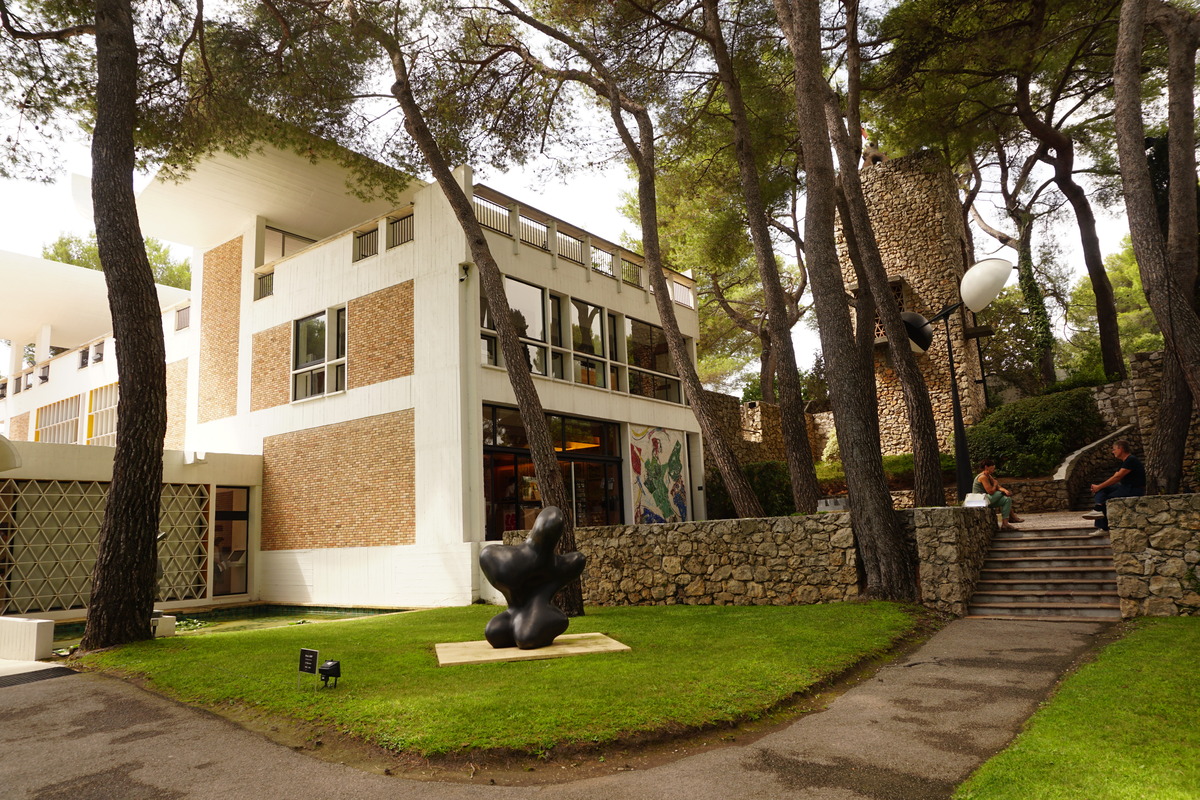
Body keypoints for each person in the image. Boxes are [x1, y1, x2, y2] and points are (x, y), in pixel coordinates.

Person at [1084, 439, 1145, 530]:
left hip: (1133, 488)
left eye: (1114, 449)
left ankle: (1103, 526)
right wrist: (1098, 487)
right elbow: (1115, 476)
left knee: (1107, 499)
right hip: (1124, 486)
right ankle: (1098, 508)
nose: (1113, 452)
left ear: (1120, 449)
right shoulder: (1124, 462)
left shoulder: (1131, 460)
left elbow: (1117, 477)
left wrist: (1099, 486)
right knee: (1102, 490)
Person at [973, 459, 1024, 530]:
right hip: (980, 500)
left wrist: (1005, 490)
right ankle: (1013, 517)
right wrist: (995, 485)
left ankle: (1005, 524)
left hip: (988, 499)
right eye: (992, 468)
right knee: (1000, 493)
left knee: (1007, 500)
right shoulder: (982, 477)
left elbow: (998, 487)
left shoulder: (988, 476)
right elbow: (991, 491)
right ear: (986, 467)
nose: (993, 469)